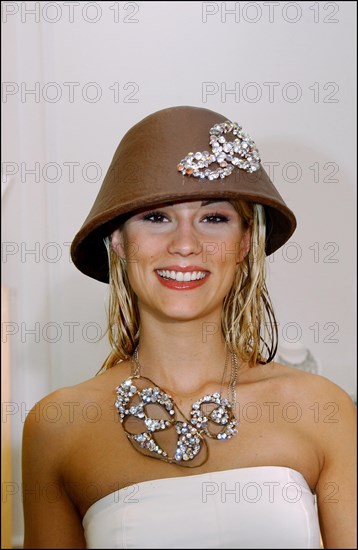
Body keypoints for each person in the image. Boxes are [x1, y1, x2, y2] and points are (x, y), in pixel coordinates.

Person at [22, 106, 356, 549]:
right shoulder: (57, 426)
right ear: (118, 241)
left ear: (244, 242)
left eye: (213, 218)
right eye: (157, 217)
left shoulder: (321, 408)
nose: (184, 244)